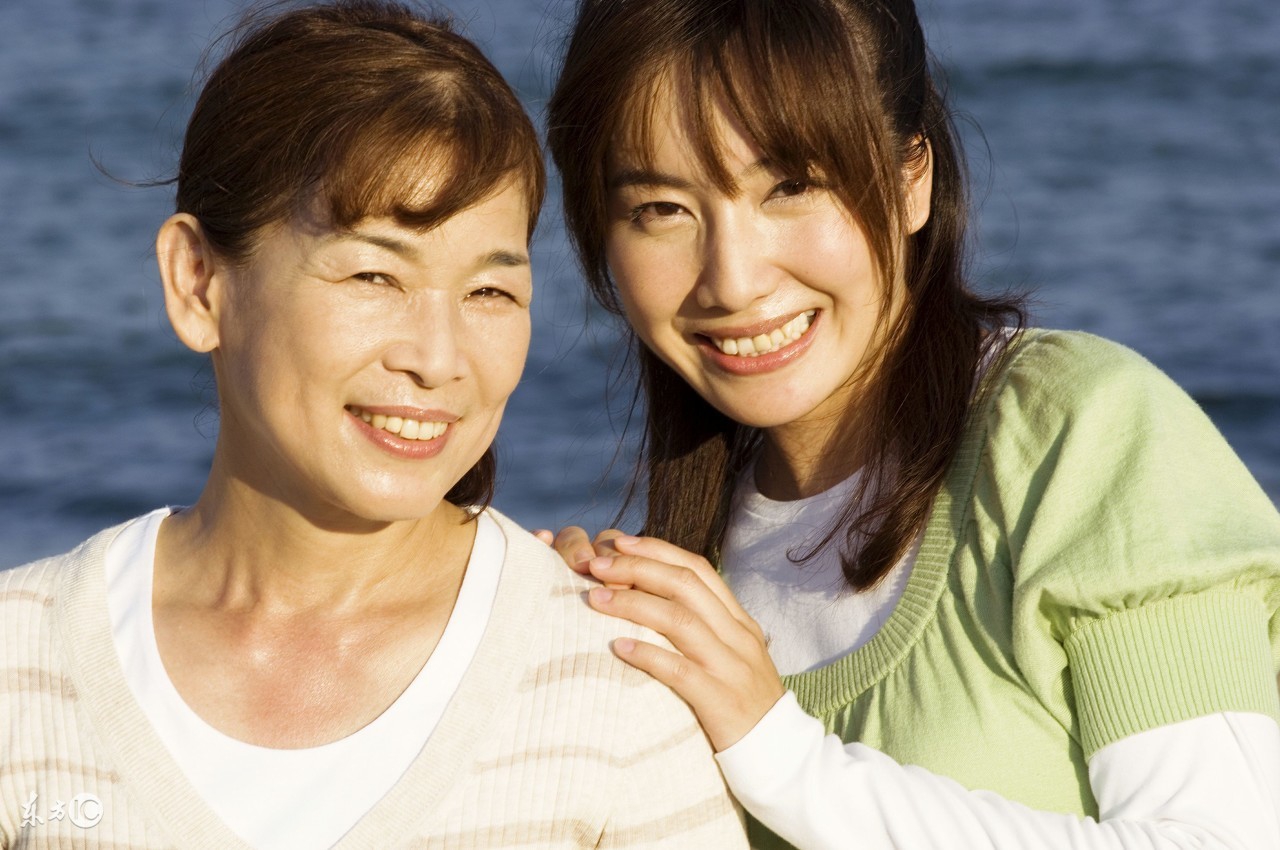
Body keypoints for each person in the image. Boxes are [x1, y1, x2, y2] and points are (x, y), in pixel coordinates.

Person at [0, 3, 749, 848]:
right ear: (198, 281)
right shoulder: (21, 670)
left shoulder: (613, 683)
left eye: (490, 292)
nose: (438, 358)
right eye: (373, 275)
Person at [543, 0, 1280, 847]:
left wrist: (780, 753)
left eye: (791, 186)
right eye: (662, 210)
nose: (733, 280)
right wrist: (555, 644)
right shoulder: (687, 567)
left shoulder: (1079, 435)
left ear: (910, 181)